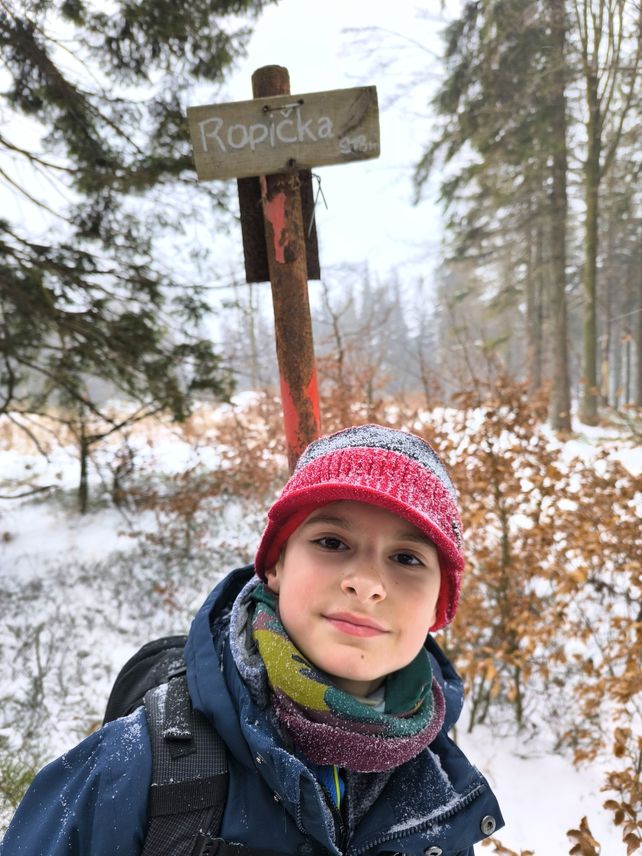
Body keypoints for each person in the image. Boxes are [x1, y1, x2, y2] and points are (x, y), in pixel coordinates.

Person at [1, 424, 504, 855]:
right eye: (332, 542)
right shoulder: (133, 768)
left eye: (407, 559)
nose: (367, 583)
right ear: (276, 565)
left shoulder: (442, 788)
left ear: (440, 605)